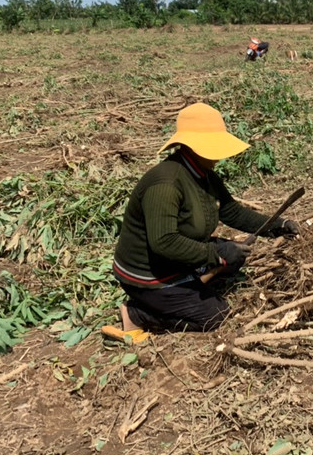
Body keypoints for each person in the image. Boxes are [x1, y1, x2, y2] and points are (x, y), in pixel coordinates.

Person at [100, 102, 299, 343]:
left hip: (172, 261)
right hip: (148, 276)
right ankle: (138, 314)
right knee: (215, 316)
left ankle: (188, 288)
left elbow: (233, 212)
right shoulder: (166, 184)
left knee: (234, 257)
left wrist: (278, 225)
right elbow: (164, 242)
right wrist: (215, 254)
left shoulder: (202, 173)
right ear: (192, 146)